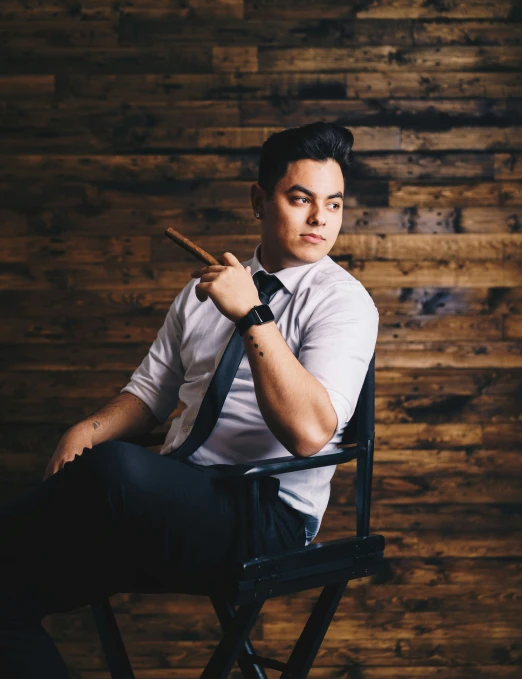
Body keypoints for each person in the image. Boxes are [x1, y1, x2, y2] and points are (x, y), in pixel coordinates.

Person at [0, 121, 379, 677]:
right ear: (259, 199)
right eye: (301, 199)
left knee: (115, 473)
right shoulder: (204, 289)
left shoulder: (343, 304)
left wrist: (253, 315)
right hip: (173, 500)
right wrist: (89, 429)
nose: (321, 218)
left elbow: (308, 432)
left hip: (265, 514)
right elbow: (148, 394)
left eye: (334, 204)